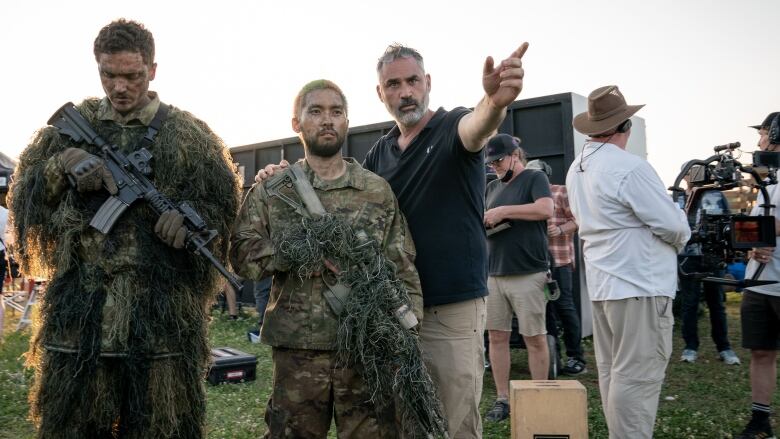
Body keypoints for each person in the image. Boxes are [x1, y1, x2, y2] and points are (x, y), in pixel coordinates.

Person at [254, 42, 529, 438]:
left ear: (427, 83)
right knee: (406, 421)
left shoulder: (452, 127)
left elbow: (479, 126)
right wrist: (282, 176)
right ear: (380, 94)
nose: (405, 92)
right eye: (394, 84)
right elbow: (337, 202)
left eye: (413, 81)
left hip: (451, 308)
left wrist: (494, 102)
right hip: (391, 310)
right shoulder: (379, 155)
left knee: (453, 420)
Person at [9, 19, 240, 438]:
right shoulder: (69, 130)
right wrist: (61, 167)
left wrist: (188, 221)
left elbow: (223, 212)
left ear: (153, 70)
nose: (119, 88)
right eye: (108, 75)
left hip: (161, 330)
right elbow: (24, 201)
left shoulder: (190, 137)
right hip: (80, 323)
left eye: (132, 76)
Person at [230, 79, 424, 438]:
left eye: (336, 112)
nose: (327, 120)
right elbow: (242, 256)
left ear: (347, 122)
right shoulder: (274, 191)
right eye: (315, 111)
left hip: (366, 349)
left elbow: (401, 266)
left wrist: (407, 337)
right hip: (298, 352)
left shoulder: (375, 191)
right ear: (297, 123)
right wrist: (295, 251)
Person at [565, 85, 690, 439]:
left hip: (606, 284)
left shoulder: (577, 168)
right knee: (637, 376)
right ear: (623, 127)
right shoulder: (630, 167)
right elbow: (671, 225)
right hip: (640, 283)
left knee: (613, 371)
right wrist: (684, 230)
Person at [482, 135, 553, 422]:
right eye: (491, 163)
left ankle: (539, 396)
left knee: (534, 337)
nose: (495, 167)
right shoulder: (491, 186)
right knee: (497, 337)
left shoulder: (534, 178)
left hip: (528, 272)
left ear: (515, 155)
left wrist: (503, 211)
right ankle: (503, 399)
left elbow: (545, 209)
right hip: (494, 272)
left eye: (499, 161)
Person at [736, 111, 780, 439]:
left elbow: (765, 226)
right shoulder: (768, 181)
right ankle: (760, 420)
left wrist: (765, 232)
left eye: (763, 133)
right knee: (761, 351)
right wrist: (752, 245)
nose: (759, 140)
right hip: (760, 281)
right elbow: (754, 225)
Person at [526, 158, 587, 376]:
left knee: (564, 307)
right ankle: (553, 358)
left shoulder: (561, 192)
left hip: (559, 262)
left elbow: (579, 220)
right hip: (536, 265)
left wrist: (560, 230)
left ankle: (576, 356)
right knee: (545, 312)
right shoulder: (526, 196)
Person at [677, 164, 740, 365]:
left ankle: (724, 348)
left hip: (713, 256)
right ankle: (690, 347)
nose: (692, 176)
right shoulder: (677, 197)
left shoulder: (715, 195)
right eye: (689, 173)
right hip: (687, 257)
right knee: (690, 303)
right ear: (684, 176)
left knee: (717, 303)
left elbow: (727, 223)